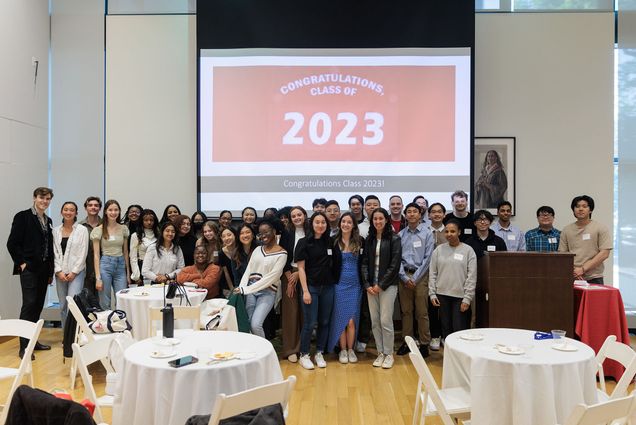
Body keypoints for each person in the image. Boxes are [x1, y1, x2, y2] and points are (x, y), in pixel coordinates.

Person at [6, 187, 55, 358]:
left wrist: (50, 272)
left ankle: (33, 341)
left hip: (43, 271)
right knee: (29, 305)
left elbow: (49, 247)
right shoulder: (23, 217)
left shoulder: (48, 220)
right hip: (29, 270)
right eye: (42, 197)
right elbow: (12, 243)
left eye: (48, 198)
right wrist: (22, 264)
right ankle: (24, 347)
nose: (45, 201)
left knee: (37, 306)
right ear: (34, 198)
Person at [296, 212, 339, 370]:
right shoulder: (303, 242)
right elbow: (301, 268)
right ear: (311, 224)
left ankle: (319, 352)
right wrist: (305, 291)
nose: (320, 225)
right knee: (310, 323)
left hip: (328, 287)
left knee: (325, 322)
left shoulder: (330, 242)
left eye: (323, 222)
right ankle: (304, 354)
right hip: (311, 288)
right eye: (317, 222)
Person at [361, 207, 402, 369]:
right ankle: (380, 352)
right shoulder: (369, 239)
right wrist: (367, 284)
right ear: (372, 221)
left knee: (385, 321)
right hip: (371, 287)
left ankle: (389, 353)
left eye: (381, 219)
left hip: (387, 286)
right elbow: (364, 263)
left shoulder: (394, 239)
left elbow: (395, 265)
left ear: (386, 220)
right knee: (375, 321)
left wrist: (381, 285)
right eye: (375, 219)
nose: (378, 221)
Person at [235, 219, 287, 338]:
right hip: (251, 291)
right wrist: (242, 287)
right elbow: (249, 270)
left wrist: (246, 290)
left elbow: (271, 278)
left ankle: (265, 352)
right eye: (260, 233)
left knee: (256, 324)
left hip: (268, 292)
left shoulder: (282, 253)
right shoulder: (258, 250)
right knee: (249, 323)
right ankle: (254, 351)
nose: (263, 236)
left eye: (266, 232)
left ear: (274, 231)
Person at [396, 202, 434, 359]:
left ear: (420, 214)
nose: (411, 214)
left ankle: (424, 344)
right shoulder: (400, 235)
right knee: (406, 312)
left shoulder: (427, 234)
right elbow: (396, 258)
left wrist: (415, 278)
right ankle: (407, 342)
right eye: (409, 212)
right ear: (405, 215)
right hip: (403, 276)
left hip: (421, 277)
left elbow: (428, 258)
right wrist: (404, 277)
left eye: (415, 212)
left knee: (422, 312)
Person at [428, 220, 477, 337]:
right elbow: (433, 273)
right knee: (445, 327)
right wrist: (432, 293)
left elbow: (472, 275)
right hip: (442, 295)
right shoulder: (438, 250)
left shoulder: (468, 250)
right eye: (447, 231)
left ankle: (460, 354)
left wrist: (467, 298)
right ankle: (448, 354)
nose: (449, 234)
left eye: (453, 231)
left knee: (459, 328)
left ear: (459, 232)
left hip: (460, 296)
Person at [328, 212, 363, 364]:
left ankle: (351, 350)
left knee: (351, 321)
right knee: (340, 319)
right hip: (339, 285)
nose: (346, 224)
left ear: (354, 225)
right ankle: (342, 350)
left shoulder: (360, 241)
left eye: (349, 222)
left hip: (355, 285)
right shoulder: (334, 242)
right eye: (343, 222)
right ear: (340, 223)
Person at [558, 195, 612, 284]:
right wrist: (575, 271)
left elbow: (604, 253)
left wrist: (583, 269)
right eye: (577, 206)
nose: (580, 209)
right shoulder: (566, 230)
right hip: (572, 276)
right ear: (573, 210)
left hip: (594, 277)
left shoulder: (600, 227)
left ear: (590, 210)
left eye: (584, 206)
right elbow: (562, 255)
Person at [279, 206, 309, 363]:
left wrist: (300, 273)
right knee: (291, 311)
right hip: (288, 273)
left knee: (305, 311)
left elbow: (314, 254)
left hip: (307, 273)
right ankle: (291, 349)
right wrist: (290, 276)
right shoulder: (287, 233)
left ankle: (304, 348)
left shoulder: (311, 231)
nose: (297, 218)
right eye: (293, 216)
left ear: (304, 215)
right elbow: (282, 255)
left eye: (299, 215)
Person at [53, 201, 89, 328]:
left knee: (72, 305)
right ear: (61, 212)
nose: (68, 212)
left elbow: (83, 252)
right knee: (62, 305)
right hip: (60, 274)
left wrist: (74, 272)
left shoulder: (82, 230)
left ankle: (73, 336)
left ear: (76, 213)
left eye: (71, 210)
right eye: (66, 209)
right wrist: (58, 271)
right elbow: (54, 253)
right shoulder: (55, 231)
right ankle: (65, 335)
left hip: (76, 273)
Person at [91, 199, 131, 310]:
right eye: (110, 210)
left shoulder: (123, 229)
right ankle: (106, 326)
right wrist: (98, 278)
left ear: (119, 211)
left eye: (116, 210)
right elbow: (96, 255)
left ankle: (120, 326)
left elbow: (126, 252)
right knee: (105, 300)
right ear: (105, 212)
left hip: (120, 266)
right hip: (105, 265)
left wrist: (127, 273)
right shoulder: (98, 230)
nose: (113, 212)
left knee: (122, 299)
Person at [355, 194, 380, 353]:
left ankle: (367, 338)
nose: (371, 207)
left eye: (374, 204)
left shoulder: (387, 226)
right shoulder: (360, 227)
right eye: (369, 204)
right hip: (359, 272)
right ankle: (360, 338)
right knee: (362, 308)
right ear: (365, 207)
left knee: (375, 311)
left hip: (378, 274)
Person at [427, 202, 447, 351]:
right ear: (429, 215)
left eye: (439, 212)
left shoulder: (449, 231)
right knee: (430, 307)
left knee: (444, 306)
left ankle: (445, 335)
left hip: (445, 274)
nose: (436, 214)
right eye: (433, 212)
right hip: (426, 274)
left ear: (444, 214)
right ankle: (434, 335)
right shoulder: (424, 231)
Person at [129, 209, 159, 285]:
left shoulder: (159, 235)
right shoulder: (136, 236)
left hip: (156, 268)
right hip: (141, 267)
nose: (149, 222)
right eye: (146, 220)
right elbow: (133, 258)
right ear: (141, 221)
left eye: (151, 220)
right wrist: (136, 276)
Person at [80, 196, 102, 296]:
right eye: (90, 205)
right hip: (85, 268)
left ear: (100, 208)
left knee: (102, 301)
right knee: (86, 300)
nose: (93, 207)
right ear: (86, 208)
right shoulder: (79, 226)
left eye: (96, 205)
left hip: (103, 267)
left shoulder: (105, 225)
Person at [218, 226, 239, 294]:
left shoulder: (240, 249)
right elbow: (226, 272)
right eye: (223, 236)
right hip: (227, 285)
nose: (226, 238)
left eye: (229, 235)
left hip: (242, 283)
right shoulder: (221, 253)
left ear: (235, 235)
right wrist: (232, 289)